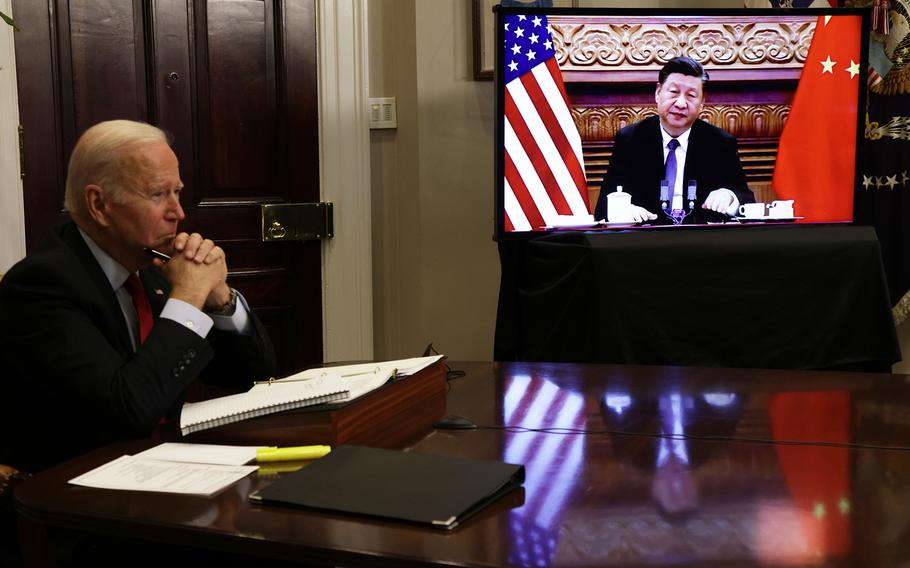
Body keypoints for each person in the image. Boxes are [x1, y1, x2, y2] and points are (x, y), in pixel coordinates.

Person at [0, 120, 276, 473]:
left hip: (164, 472)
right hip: (76, 496)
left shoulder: (147, 267)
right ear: (99, 204)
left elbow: (255, 377)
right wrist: (190, 294)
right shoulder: (42, 286)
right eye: (158, 194)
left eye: (177, 192)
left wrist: (219, 297)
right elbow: (126, 411)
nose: (178, 213)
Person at [593, 56, 754, 225]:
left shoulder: (719, 143)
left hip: (702, 242)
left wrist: (729, 196)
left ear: (702, 103)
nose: (681, 103)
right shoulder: (630, 139)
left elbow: (747, 200)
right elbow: (603, 206)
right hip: (645, 241)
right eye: (674, 92)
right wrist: (623, 210)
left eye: (691, 95)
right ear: (658, 93)